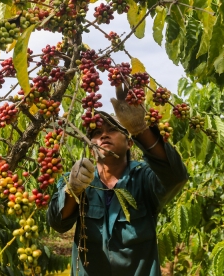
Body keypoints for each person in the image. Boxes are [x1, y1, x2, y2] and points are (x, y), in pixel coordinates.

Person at [46, 86, 188, 276]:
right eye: (96, 133)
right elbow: (57, 223)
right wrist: (73, 190)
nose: (103, 135)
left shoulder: (143, 178)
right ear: (90, 146)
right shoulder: (76, 178)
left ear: (130, 142)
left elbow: (175, 176)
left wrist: (141, 129)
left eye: (112, 130)